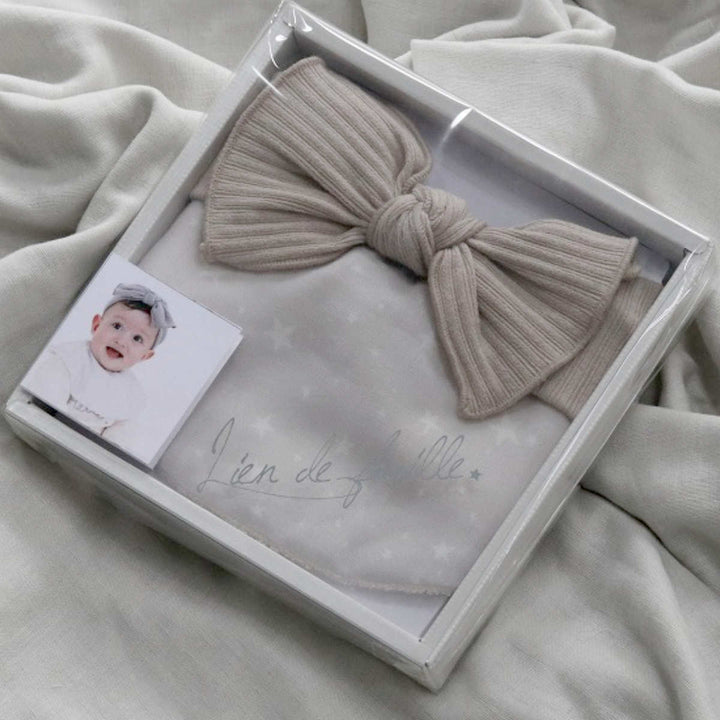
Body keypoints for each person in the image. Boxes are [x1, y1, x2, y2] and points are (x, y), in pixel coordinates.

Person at [24, 283, 175, 437]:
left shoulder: (130, 394)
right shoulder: (69, 360)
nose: (121, 341)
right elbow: (45, 402)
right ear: (96, 325)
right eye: (117, 326)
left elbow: (122, 434)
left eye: (137, 338)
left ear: (144, 356)